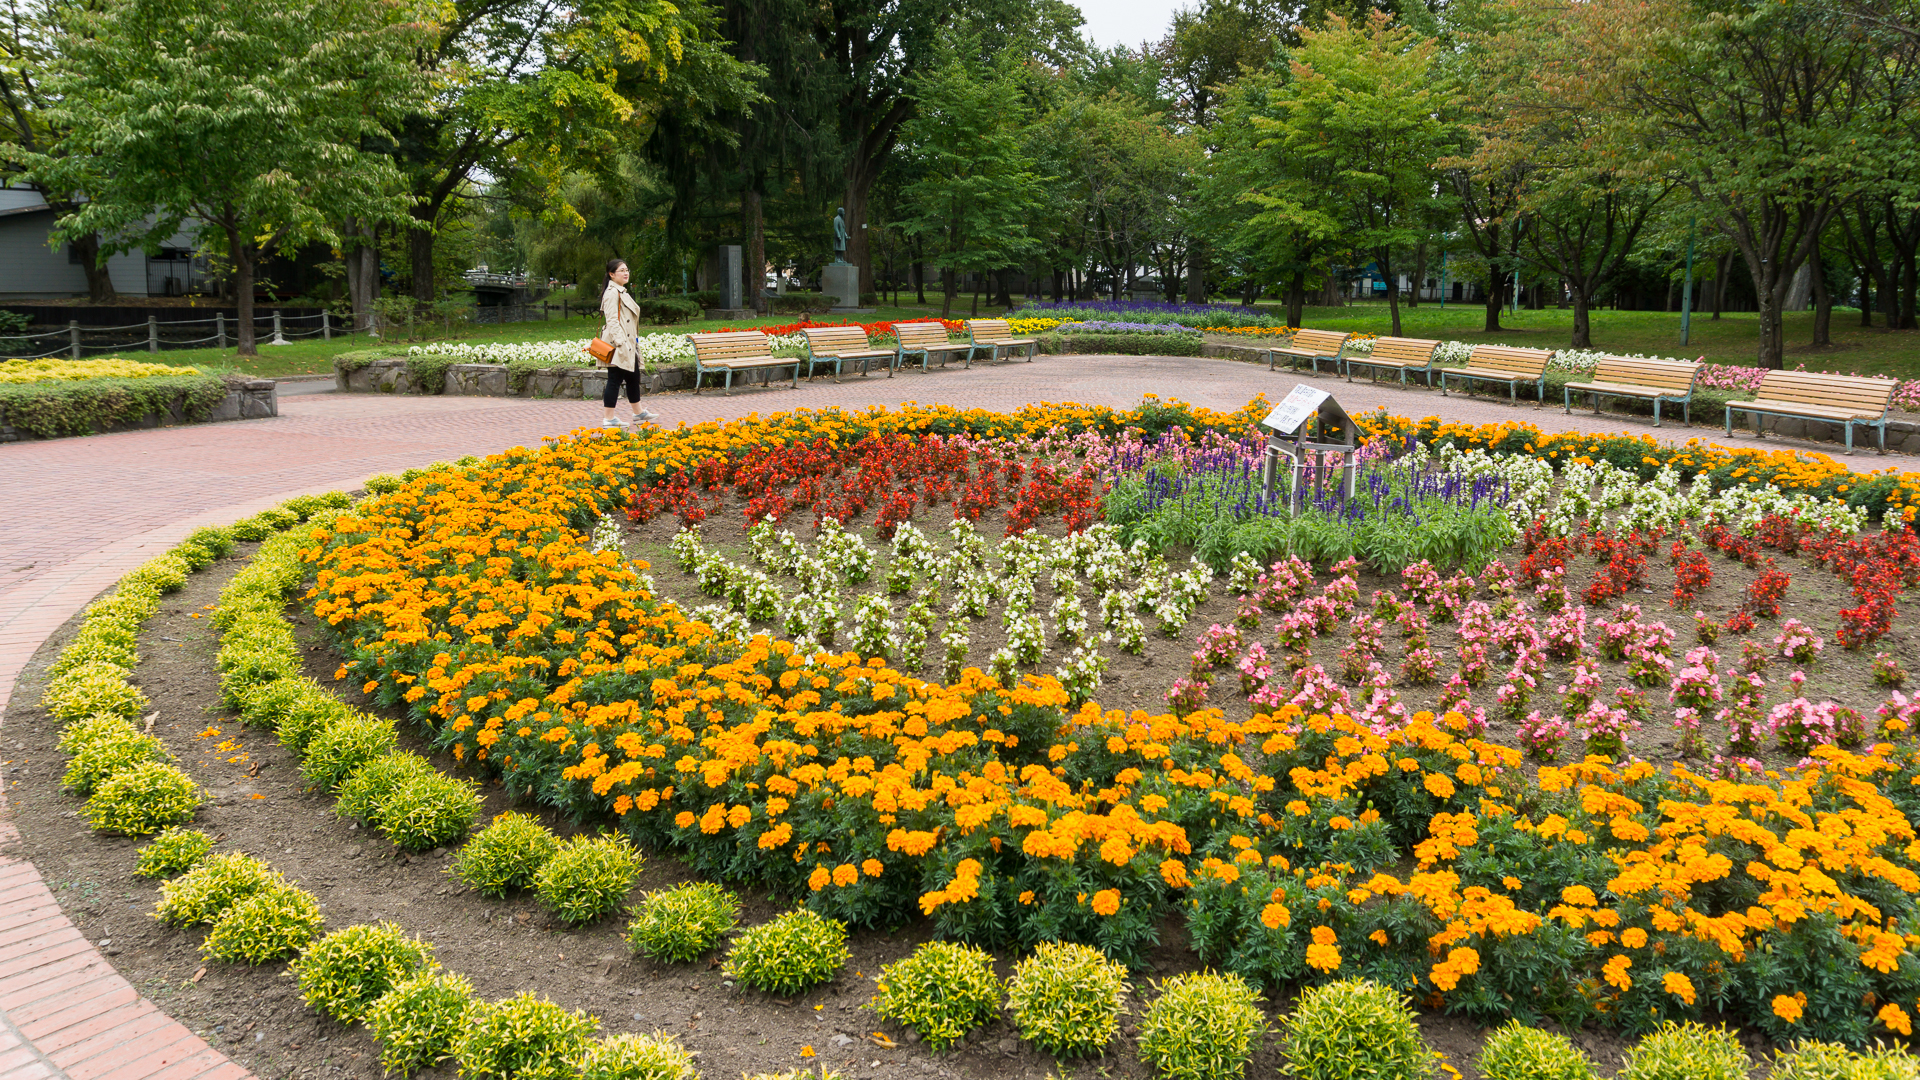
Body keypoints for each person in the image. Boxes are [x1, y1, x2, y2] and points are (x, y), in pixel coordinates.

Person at [598, 258, 657, 428]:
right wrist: (621, 343)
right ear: (611, 274)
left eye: (627, 270)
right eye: (621, 271)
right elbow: (612, 321)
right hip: (619, 344)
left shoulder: (621, 291)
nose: (626, 273)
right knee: (614, 379)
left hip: (628, 342)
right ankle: (608, 419)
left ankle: (638, 413)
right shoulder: (612, 293)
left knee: (633, 376)